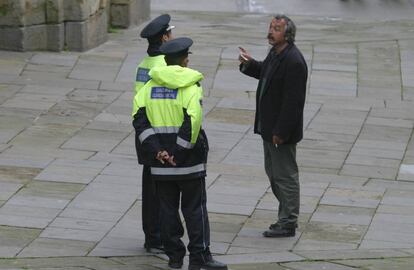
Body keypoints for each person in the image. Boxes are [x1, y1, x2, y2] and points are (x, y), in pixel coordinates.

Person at [132, 37, 228, 270]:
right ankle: (200, 256)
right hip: (189, 162)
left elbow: (139, 121)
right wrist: (179, 152)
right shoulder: (190, 86)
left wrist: (159, 153)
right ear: (184, 60)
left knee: (166, 210)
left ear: (164, 60)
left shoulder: (148, 88)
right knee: (195, 209)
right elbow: (192, 122)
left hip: (161, 164)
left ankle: (175, 257)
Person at [239, 14, 308, 238]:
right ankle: (285, 217)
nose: (271, 32)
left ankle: (288, 222)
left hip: (280, 132)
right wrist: (249, 64)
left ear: (287, 34)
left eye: (276, 28)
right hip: (269, 129)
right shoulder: (276, 54)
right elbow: (265, 74)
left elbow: (293, 103)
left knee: (285, 176)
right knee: (274, 174)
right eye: (271, 27)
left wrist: (281, 131)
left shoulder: (294, 61)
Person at [132, 13, 174, 253]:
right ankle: (159, 237)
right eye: (171, 34)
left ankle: (152, 236)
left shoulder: (143, 64)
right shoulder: (164, 68)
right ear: (165, 37)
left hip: (145, 136)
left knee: (150, 189)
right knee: (164, 191)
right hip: (162, 138)